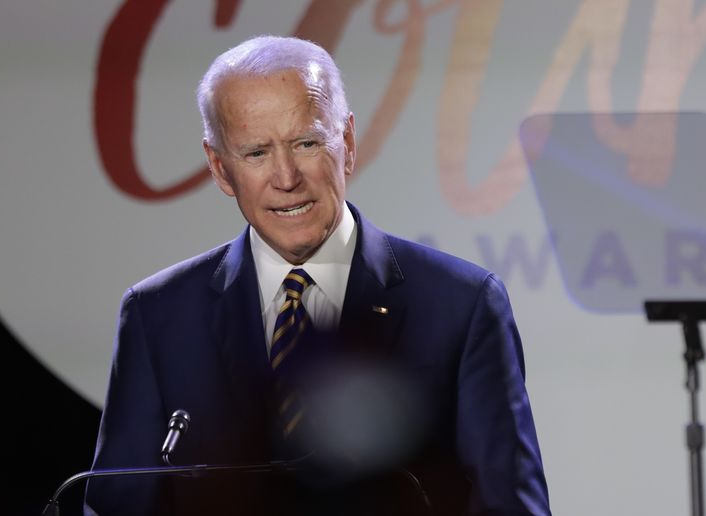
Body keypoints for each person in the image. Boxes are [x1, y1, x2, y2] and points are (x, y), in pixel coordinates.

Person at [85, 36, 550, 516]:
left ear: (346, 143)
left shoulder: (461, 306)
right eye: (256, 153)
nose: (286, 178)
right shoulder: (158, 315)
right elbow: (116, 505)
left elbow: (510, 505)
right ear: (220, 169)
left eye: (305, 143)